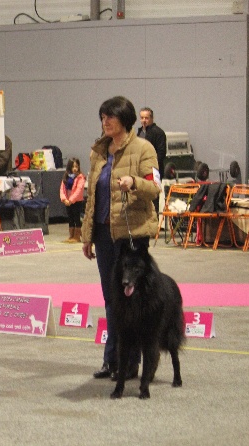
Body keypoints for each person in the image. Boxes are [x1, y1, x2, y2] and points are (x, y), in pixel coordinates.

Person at [81, 96, 160, 380]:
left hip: (131, 235)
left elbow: (156, 187)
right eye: (102, 117)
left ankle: (130, 363)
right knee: (111, 299)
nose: (105, 121)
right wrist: (87, 235)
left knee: (132, 301)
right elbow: (93, 198)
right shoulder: (98, 153)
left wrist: (134, 182)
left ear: (125, 120)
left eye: (110, 117)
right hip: (103, 234)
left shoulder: (143, 148)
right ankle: (112, 359)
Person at [138, 107, 166, 214]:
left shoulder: (159, 133)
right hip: (140, 171)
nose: (144, 120)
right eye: (142, 118)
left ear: (152, 118)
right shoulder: (139, 133)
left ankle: (154, 227)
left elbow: (161, 153)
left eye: (146, 118)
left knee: (153, 199)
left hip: (153, 172)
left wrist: (152, 168)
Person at [59, 157, 86, 243]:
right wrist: (64, 199)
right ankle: (71, 235)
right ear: (69, 167)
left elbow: (78, 190)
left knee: (76, 218)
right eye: (73, 166)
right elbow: (62, 189)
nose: (75, 168)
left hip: (76, 201)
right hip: (67, 202)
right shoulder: (66, 177)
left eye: (76, 166)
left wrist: (71, 200)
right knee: (70, 218)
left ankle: (77, 236)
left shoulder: (80, 178)